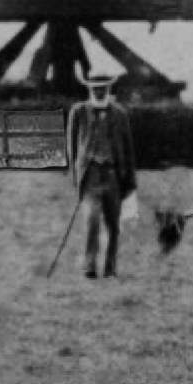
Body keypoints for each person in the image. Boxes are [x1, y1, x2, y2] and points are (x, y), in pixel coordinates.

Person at [66, 73, 138, 279]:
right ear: (89, 89)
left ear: (109, 89)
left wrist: (130, 180)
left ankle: (110, 268)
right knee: (92, 220)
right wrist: (75, 177)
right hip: (90, 175)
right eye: (95, 88)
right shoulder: (78, 112)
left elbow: (128, 148)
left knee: (114, 225)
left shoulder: (120, 114)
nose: (99, 91)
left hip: (113, 174)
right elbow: (71, 147)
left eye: (103, 88)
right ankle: (89, 267)